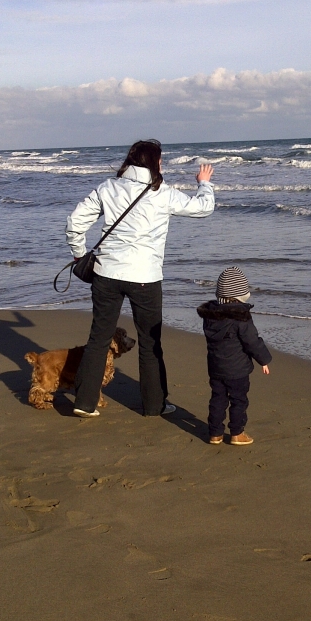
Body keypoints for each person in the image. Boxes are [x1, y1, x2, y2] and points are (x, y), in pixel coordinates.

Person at [66, 139, 214, 418]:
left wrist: (79, 255)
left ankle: (83, 402)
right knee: (150, 342)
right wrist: (204, 182)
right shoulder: (163, 193)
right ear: (154, 163)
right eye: (160, 160)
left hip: (106, 274)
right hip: (145, 277)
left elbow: (74, 224)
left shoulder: (108, 187)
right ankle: (154, 405)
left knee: (98, 338)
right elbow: (203, 208)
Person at [197, 266, 272, 445]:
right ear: (241, 294)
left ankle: (215, 433)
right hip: (237, 370)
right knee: (238, 400)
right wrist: (264, 359)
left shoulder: (211, 316)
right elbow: (252, 341)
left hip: (216, 367)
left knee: (218, 398)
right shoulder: (241, 316)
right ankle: (237, 433)